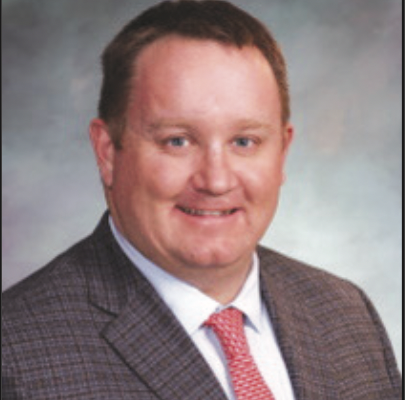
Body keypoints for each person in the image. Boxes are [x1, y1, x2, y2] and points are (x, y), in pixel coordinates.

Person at [2, 1, 401, 399]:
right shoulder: (16, 356)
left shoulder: (346, 313)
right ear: (107, 152)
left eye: (244, 141)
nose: (216, 180)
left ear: (282, 152)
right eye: (178, 141)